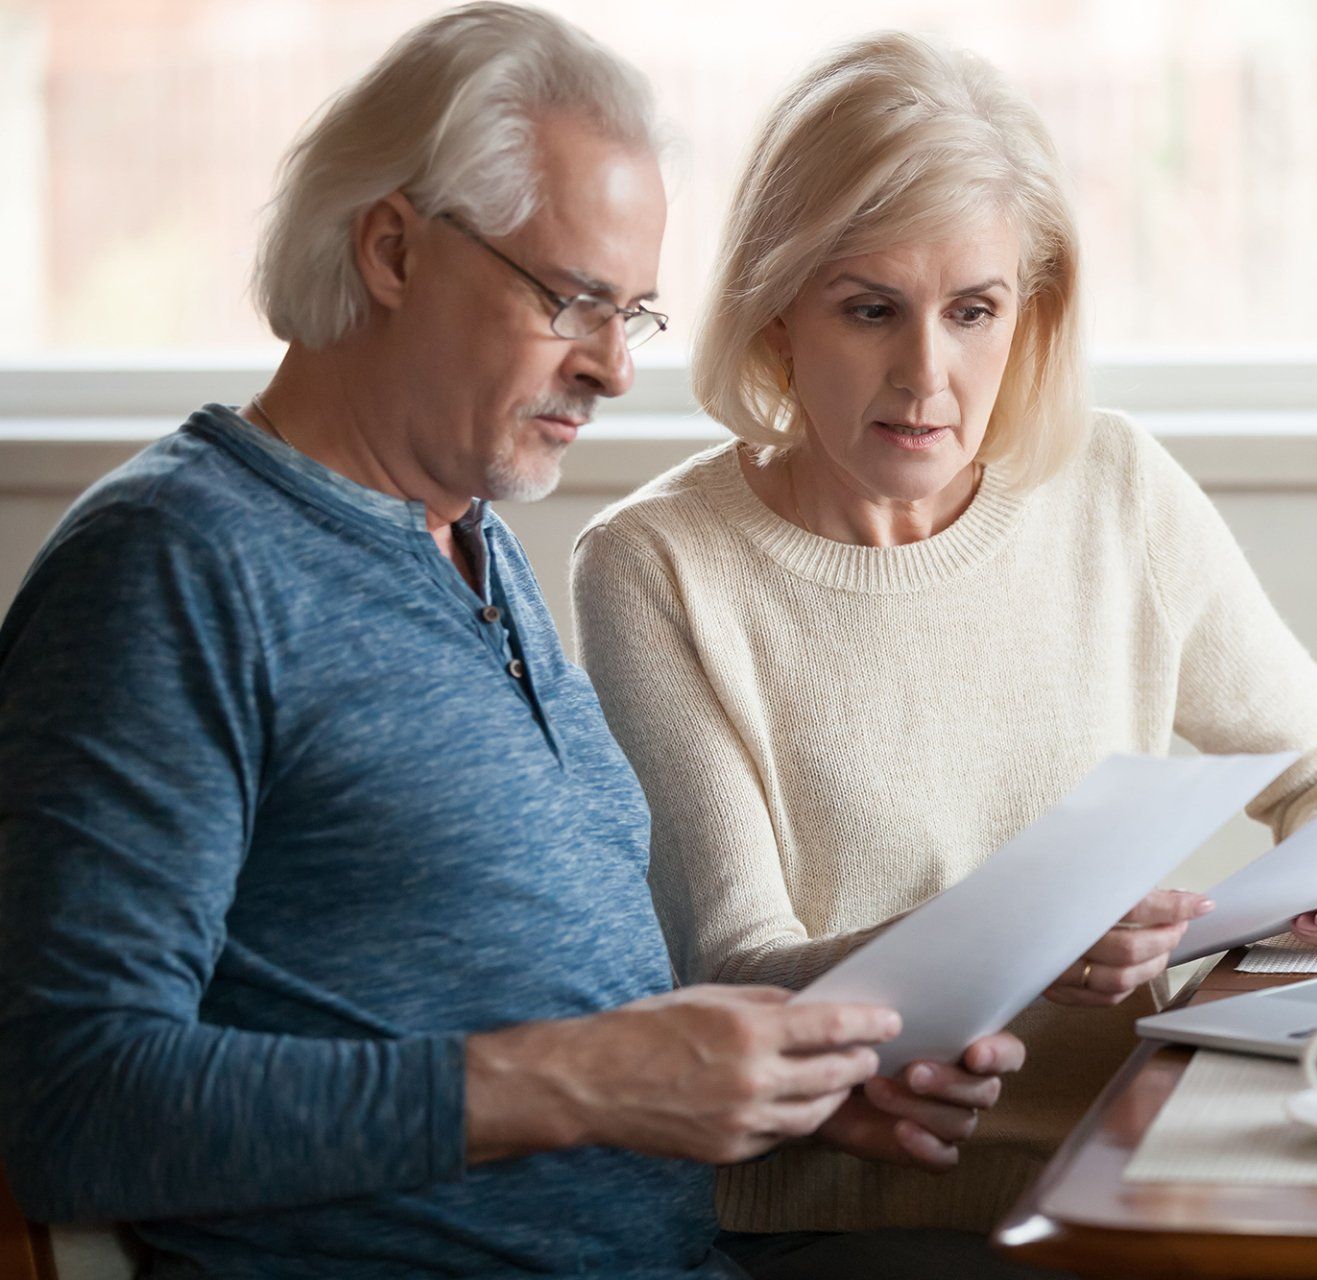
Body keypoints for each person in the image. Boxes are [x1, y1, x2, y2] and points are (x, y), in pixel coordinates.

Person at [0, 8, 1027, 1278]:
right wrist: (580, 1079)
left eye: (633, 313)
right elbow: (76, 1108)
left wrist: (773, 1102)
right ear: (392, 249)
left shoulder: (470, 543)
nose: (611, 368)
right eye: (574, 300)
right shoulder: (172, 567)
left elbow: (515, 1038)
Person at [569, 30, 1317, 1271]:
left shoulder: (1116, 486)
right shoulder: (656, 565)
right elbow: (743, 967)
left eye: (973, 311)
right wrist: (1034, 928)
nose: (928, 376)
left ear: (1028, 315)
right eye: (870, 309)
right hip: (850, 1216)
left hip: (1131, 1168)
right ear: (777, 310)